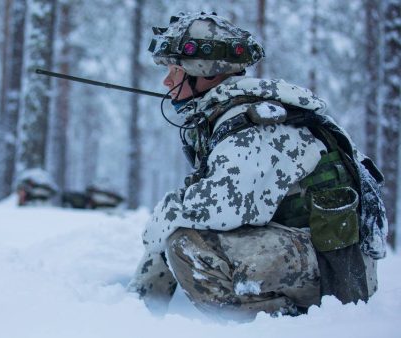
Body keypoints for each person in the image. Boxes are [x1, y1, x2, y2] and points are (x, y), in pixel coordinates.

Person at [128, 12, 388, 321]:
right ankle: (138, 311)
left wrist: (163, 218)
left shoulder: (255, 125)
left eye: (174, 69)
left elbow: (221, 209)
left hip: (336, 267)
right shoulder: (236, 112)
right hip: (315, 250)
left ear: (206, 72)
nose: (166, 81)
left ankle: (276, 323)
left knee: (186, 242)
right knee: (178, 224)